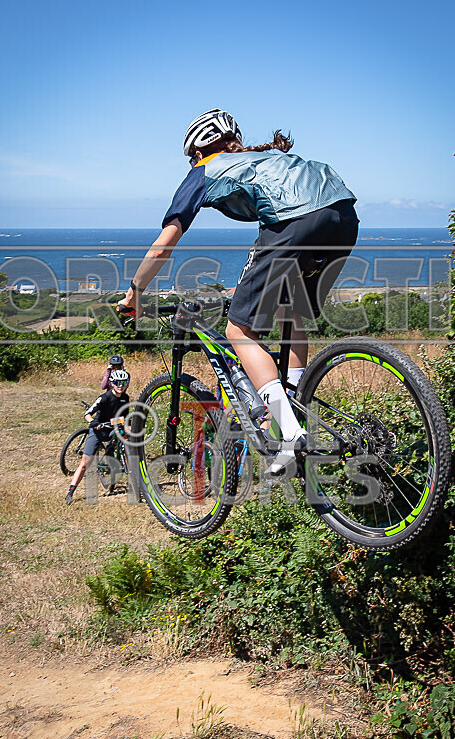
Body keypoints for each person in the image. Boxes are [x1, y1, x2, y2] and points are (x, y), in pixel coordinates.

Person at [118, 109, 359, 475]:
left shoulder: (204, 170)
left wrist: (135, 292)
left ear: (197, 153)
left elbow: (164, 245)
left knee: (238, 331)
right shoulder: (265, 157)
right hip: (343, 215)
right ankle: (291, 412)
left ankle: (288, 431)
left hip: (295, 221)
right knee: (290, 315)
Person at [65, 369, 130, 504]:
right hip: (98, 430)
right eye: (117, 382)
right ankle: (70, 492)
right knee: (84, 464)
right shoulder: (104, 398)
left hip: (113, 429)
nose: (120, 385)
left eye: (123, 383)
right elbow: (88, 414)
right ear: (112, 383)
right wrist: (93, 423)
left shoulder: (125, 398)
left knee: (126, 442)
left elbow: (125, 418)